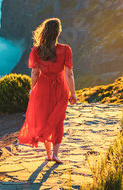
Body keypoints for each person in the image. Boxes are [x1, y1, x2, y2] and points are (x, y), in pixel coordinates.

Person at [18, 18, 77, 164]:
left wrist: (33, 89)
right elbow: (69, 74)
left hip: (43, 87)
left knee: (45, 119)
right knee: (58, 120)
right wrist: (73, 93)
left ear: (44, 32)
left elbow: (34, 73)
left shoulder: (37, 51)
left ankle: (48, 153)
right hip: (60, 87)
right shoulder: (65, 49)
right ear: (58, 32)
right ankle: (55, 155)